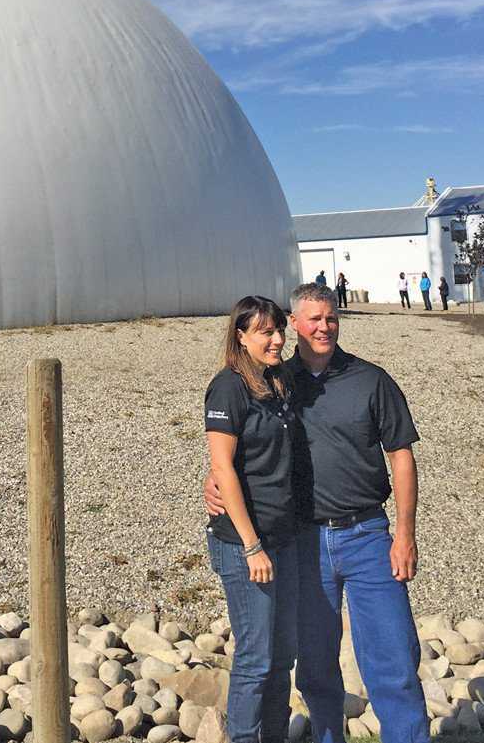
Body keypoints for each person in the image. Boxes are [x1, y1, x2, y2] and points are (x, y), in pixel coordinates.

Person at [206, 283, 430, 743]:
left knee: (394, 660)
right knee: (314, 666)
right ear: (295, 324)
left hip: (368, 534)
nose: (323, 327)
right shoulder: (273, 380)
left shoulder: (372, 380)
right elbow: (241, 450)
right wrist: (213, 483)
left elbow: (402, 456)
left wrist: (404, 534)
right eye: (313, 319)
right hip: (303, 542)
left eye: (331, 318)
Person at [203, 296, 306, 743]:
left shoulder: (280, 382)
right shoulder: (228, 388)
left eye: (280, 329)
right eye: (265, 331)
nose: (277, 339)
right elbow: (223, 467)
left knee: (283, 656)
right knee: (255, 659)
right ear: (240, 336)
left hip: (283, 537)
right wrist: (251, 545)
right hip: (247, 544)